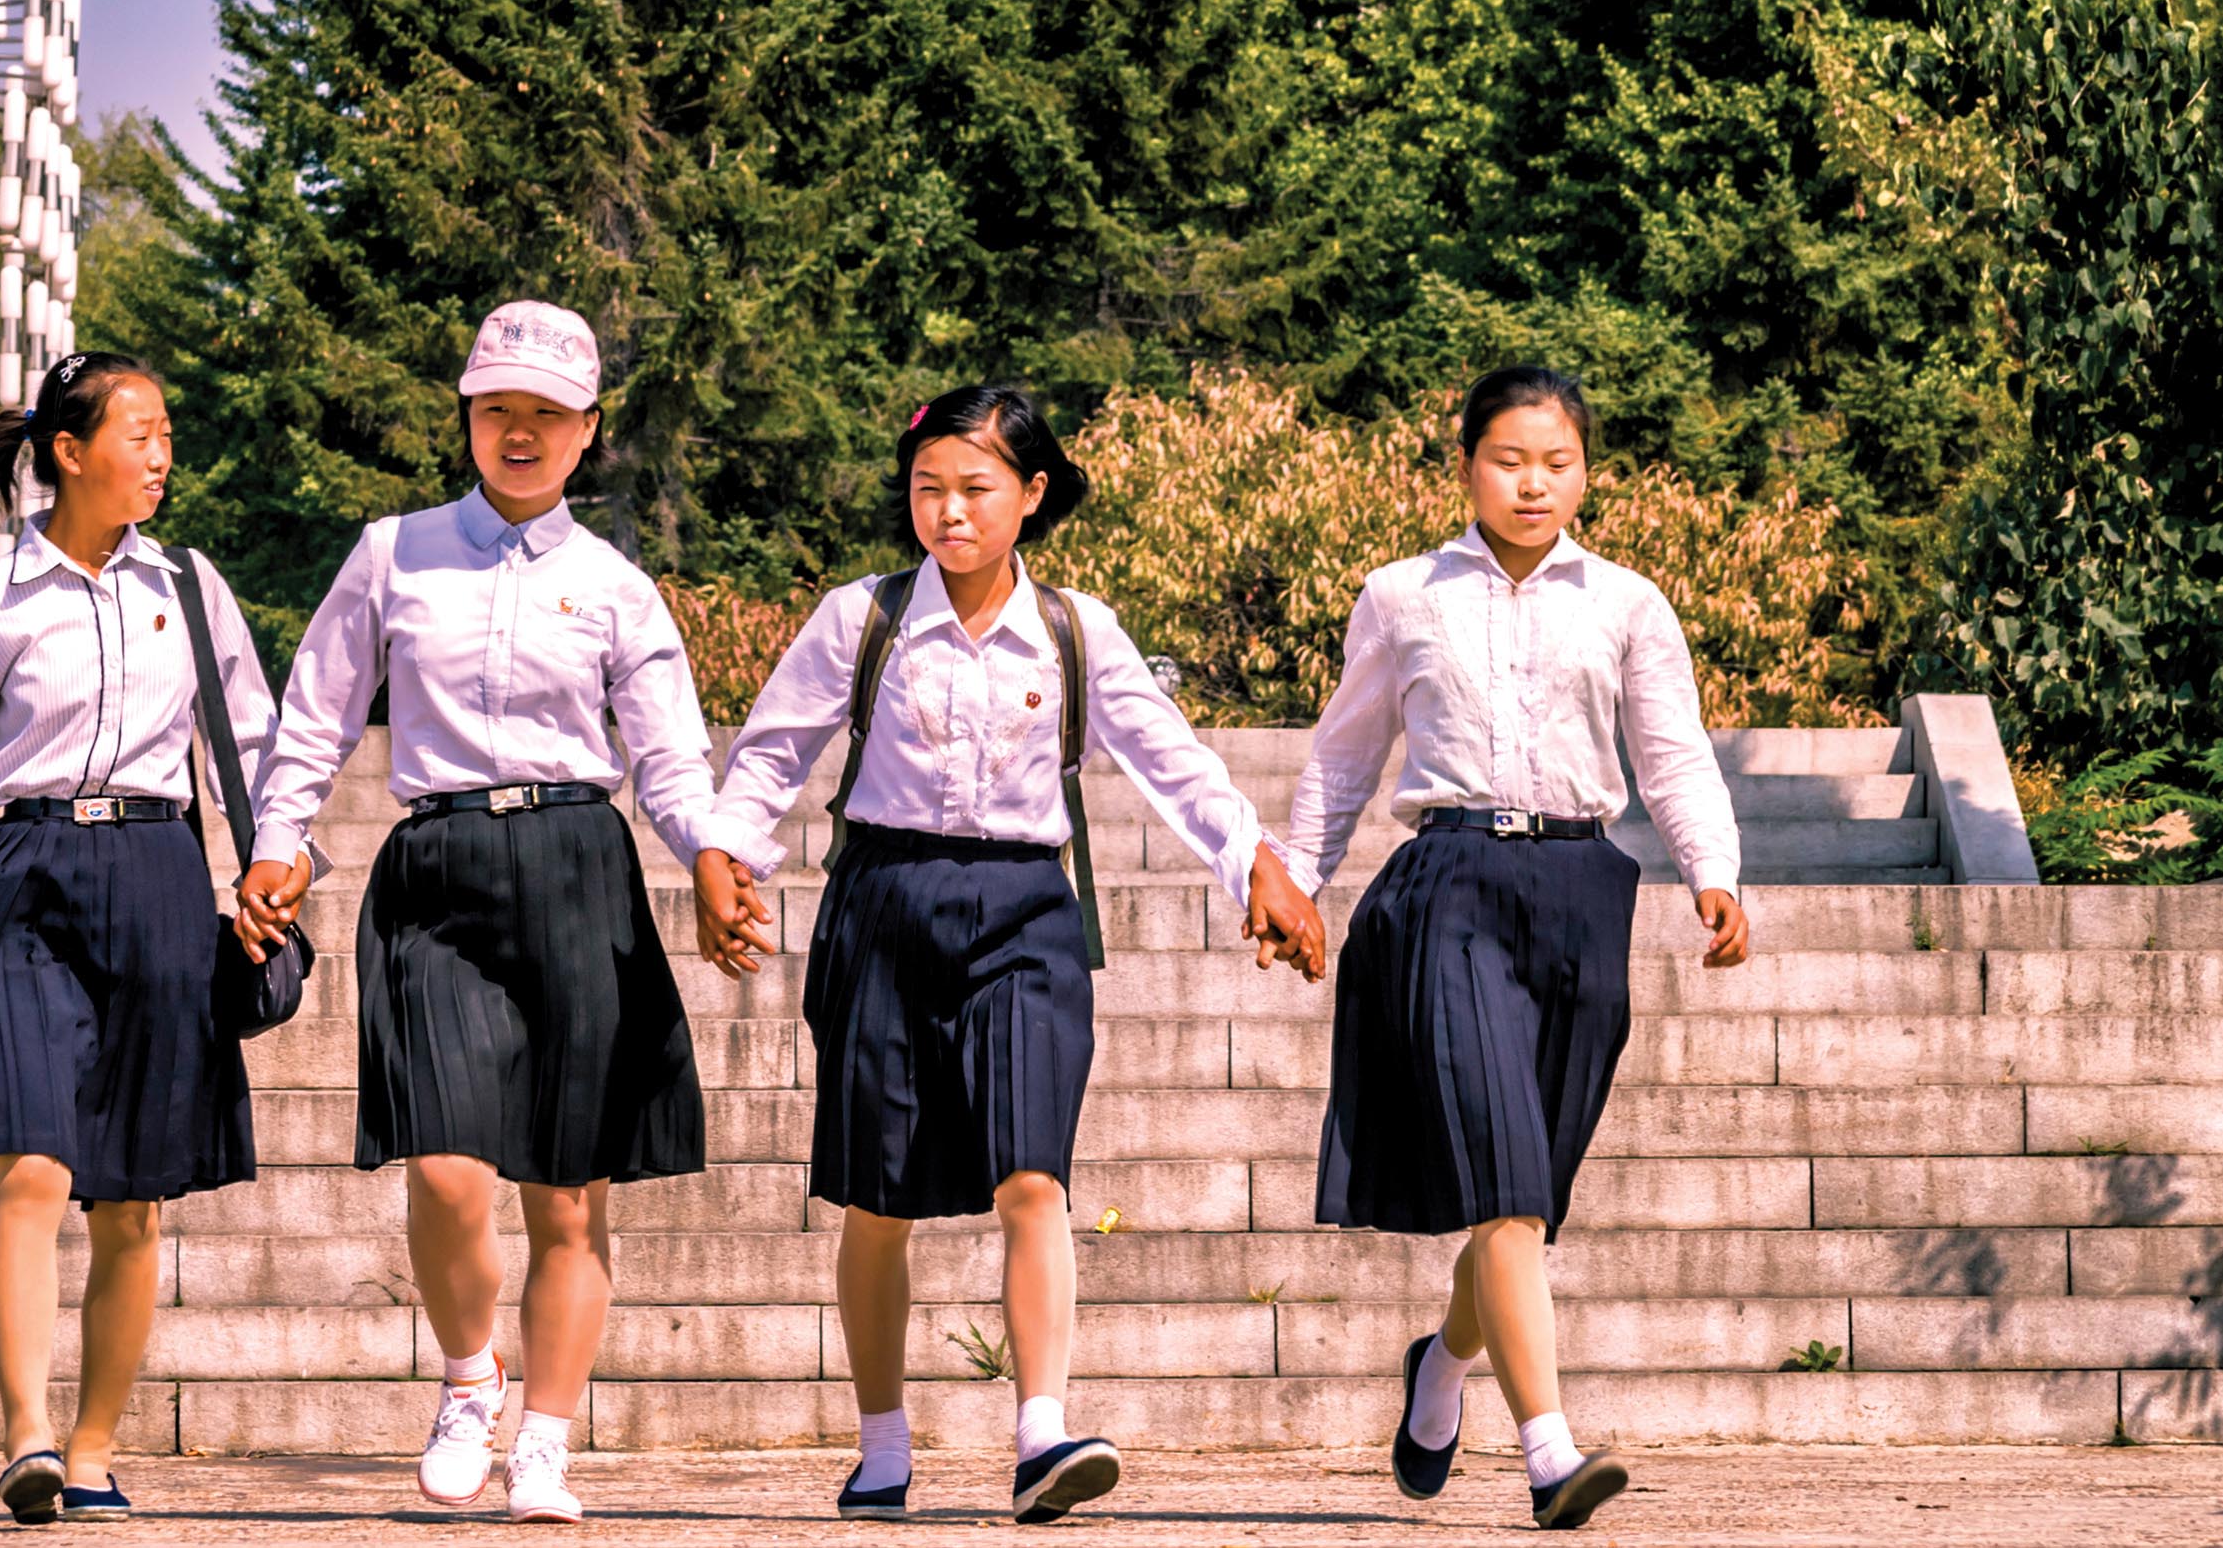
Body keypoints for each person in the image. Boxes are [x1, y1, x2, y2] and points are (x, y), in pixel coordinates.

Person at [691, 385, 1321, 1527]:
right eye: (927, 488)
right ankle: (882, 1445)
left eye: (975, 488)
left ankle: (1040, 1432)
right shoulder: (862, 617)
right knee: (874, 1201)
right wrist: (726, 852)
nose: (948, 512)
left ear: (1029, 496)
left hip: (1028, 912)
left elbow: (1171, 764)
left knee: (1032, 1172)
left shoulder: (1076, 630)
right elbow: (773, 754)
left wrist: (1257, 865)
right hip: (880, 901)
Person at [235, 301, 730, 1525]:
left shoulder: (614, 585)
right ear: (466, 416)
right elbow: (314, 714)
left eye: (546, 416)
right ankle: (471, 1378)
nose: (519, 433)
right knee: (449, 1167)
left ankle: (547, 1440)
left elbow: (667, 753)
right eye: (497, 409)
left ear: (586, 432)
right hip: (436, 871)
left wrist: (711, 852)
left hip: (576, 869)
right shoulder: (391, 553)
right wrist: (276, 842)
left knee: (567, 1191)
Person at [0, 352, 309, 1525]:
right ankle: (27, 1436)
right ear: (69, 450)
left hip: (157, 882)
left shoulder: (192, 590)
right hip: (20, 888)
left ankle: (94, 1452)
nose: (159, 453)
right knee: (32, 1163)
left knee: (134, 1201)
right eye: (137, 431)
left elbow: (259, 748)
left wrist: (277, 864)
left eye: (164, 432)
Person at [1279, 366, 1752, 1532]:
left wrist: (1714, 871)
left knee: (1524, 1204)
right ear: (1464, 469)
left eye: (1555, 462)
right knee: (1500, 1185)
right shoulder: (1400, 596)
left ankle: (1440, 1364)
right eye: (1506, 459)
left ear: (1584, 472)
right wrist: (1292, 880)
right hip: (1446, 887)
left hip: (1581, 890)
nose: (1531, 482)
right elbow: (1344, 754)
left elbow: (1673, 754)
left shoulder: (1629, 604)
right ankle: (1548, 1452)